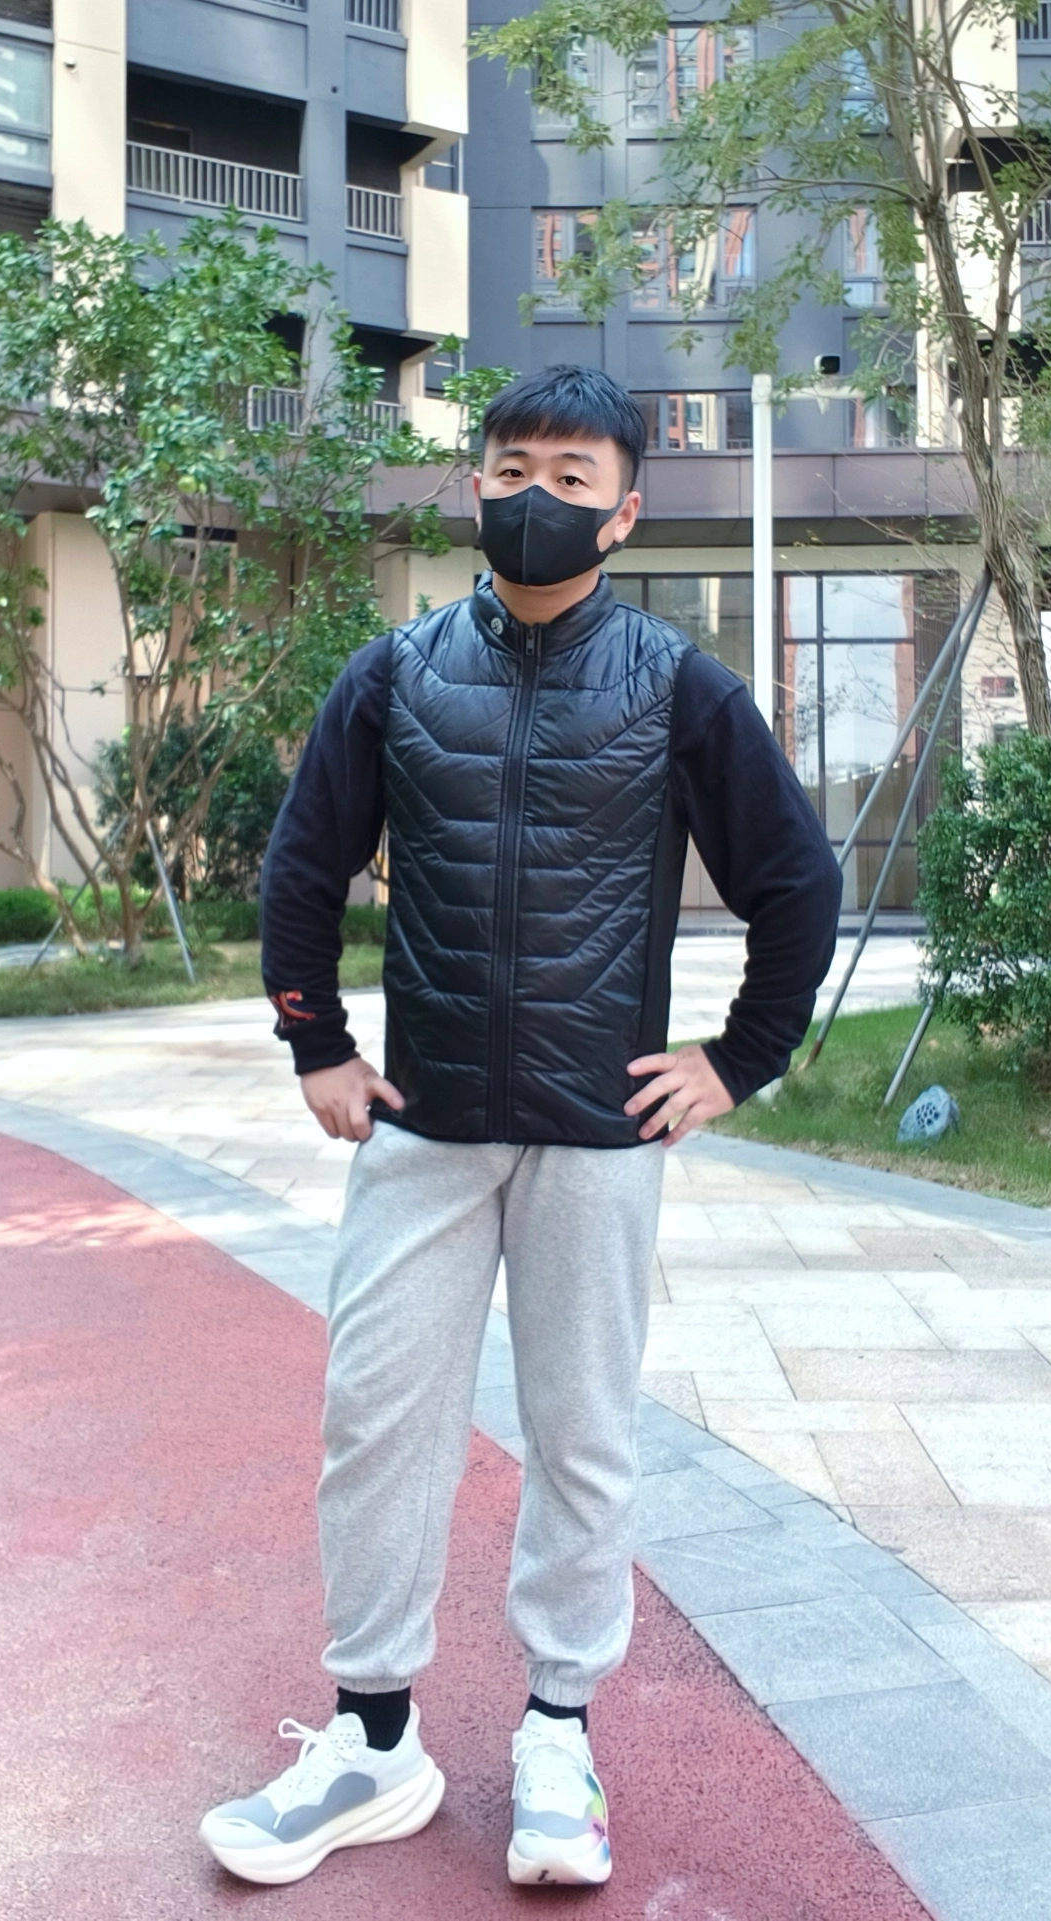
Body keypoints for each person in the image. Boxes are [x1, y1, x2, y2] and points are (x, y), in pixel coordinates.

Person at [199, 365, 842, 1888]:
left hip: (593, 1137)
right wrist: (316, 1042)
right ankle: (373, 1744)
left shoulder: (680, 689)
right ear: (475, 487)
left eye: (570, 474)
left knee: (581, 1434)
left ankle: (559, 1735)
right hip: (422, 1129)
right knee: (377, 1420)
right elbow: (303, 867)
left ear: (623, 512)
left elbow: (796, 883)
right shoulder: (397, 674)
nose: (534, 495)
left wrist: (739, 1060)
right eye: (510, 467)